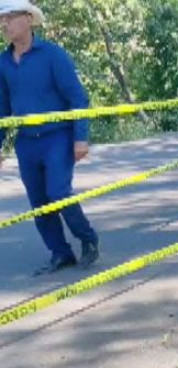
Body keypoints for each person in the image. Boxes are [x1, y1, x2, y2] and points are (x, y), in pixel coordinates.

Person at [0, 0, 99, 273]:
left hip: (57, 137)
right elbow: (2, 109)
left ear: (28, 19)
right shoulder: (3, 63)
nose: (4, 23)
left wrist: (81, 137)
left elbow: (78, 97)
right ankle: (60, 253)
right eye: (2, 19)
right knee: (39, 202)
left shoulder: (53, 55)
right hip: (26, 142)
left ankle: (88, 239)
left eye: (9, 17)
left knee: (58, 192)